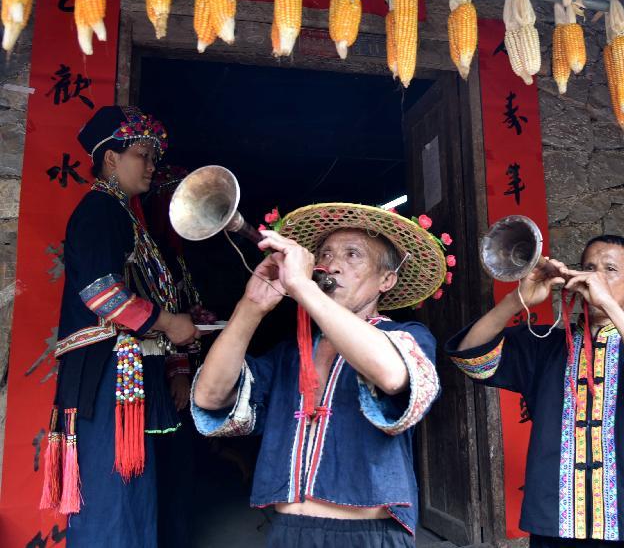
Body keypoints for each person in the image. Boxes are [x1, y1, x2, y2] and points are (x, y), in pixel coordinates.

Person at [191, 204, 446, 548]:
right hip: (287, 533)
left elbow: (391, 375)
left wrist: (302, 288)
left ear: (386, 280)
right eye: (325, 254)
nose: (333, 264)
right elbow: (210, 396)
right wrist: (251, 305)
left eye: (353, 255)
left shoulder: (408, 336)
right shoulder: (290, 353)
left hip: (367, 537)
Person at [446, 235, 624, 547]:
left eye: (610, 269)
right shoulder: (545, 346)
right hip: (554, 519)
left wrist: (607, 304)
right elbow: (471, 359)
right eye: (589, 267)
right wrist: (517, 300)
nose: (595, 277)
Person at [39, 106, 200, 548]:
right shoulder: (98, 211)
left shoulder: (123, 214)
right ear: (111, 159)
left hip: (125, 371)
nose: (152, 166)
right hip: (106, 373)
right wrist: (169, 322)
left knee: (132, 491)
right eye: (143, 155)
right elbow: (102, 295)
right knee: (112, 491)